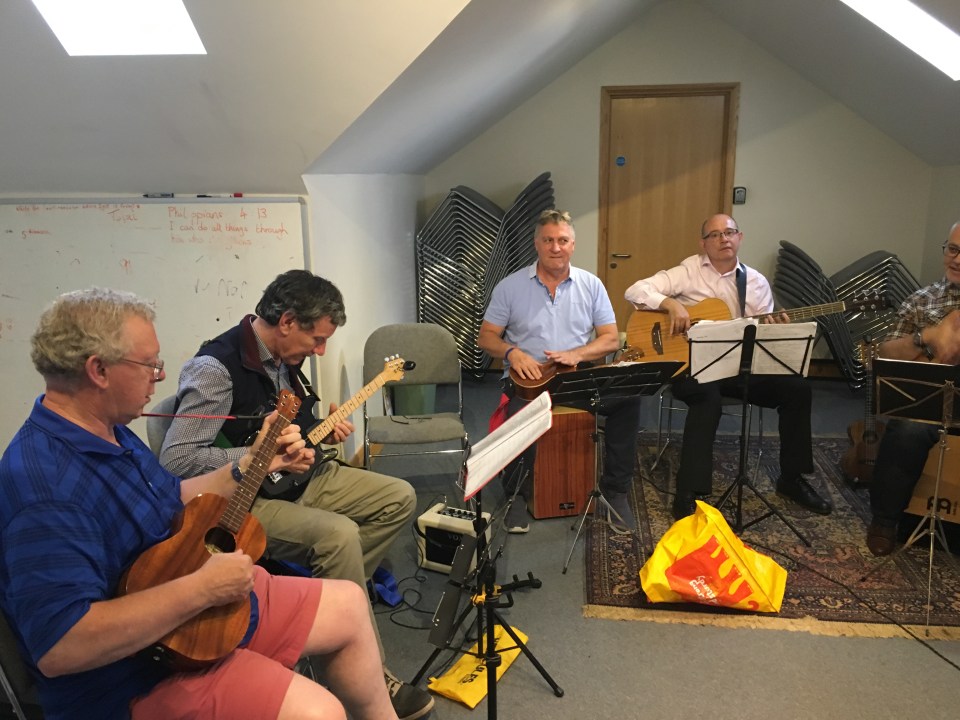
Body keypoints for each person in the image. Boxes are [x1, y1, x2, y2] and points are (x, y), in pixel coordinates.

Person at [0, 287, 399, 720]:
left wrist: (252, 464)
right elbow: (61, 647)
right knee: (319, 712)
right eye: (150, 364)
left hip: (187, 602)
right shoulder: (44, 487)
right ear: (98, 370)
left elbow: (171, 497)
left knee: (349, 603)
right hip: (136, 671)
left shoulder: (109, 429)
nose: (159, 376)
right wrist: (202, 589)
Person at [159, 270, 432, 719]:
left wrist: (318, 430)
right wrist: (262, 455)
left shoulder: (283, 357)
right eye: (317, 339)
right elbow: (177, 461)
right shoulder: (215, 370)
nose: (321, 351)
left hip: (301, 478)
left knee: (398, 497)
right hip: (248, 497)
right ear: (286, 321)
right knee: (339, 537)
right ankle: (369, 672)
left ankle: (320, 614)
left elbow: (293, 427)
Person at [624, 213, 832, 520]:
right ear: (703, 243)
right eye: (715, 234)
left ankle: (792, 478)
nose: (724, 239)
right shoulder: (688, 271)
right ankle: (689, 490)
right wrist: (671, 304)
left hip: (738, 366)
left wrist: (774, 328)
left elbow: (762, 336)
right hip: (692, 366)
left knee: (797, 389)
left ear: (739, 238)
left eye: (730, 232)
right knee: (707, 399)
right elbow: (635, 290)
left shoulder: (756, 282)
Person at [477, 208, 640, 533]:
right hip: (528, 379)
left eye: (562, 240)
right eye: (548, 240)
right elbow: (486, 337)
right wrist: (512, 352)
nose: (556, 247)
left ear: (572, 245)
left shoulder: (591, 284)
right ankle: (516, 496)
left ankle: (616, 490)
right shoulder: (510, 287)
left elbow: (610, 338)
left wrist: (577, 353)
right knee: (520, 413)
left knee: (629, 400)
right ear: (536, 244)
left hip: (576, 376)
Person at [866, 220, 960, 556]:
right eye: (953, 249)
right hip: (929, 402)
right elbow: (883, 355)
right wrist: (926, 337)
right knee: (907, 429)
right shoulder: (923, 300)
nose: (957, 259)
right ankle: (885, 520)